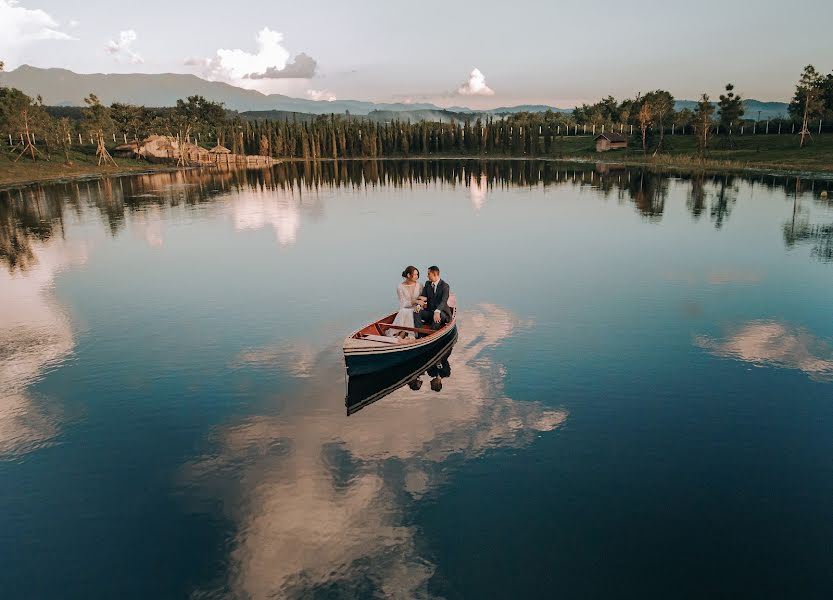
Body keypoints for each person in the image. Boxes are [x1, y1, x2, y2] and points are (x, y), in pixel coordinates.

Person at [388, 266, 423, 339]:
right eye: (415, 274)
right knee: (405, 311)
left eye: (417, 274)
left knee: (410, 312)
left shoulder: (420, 285)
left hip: (418, 308)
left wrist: (418, 303)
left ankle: (401, 334)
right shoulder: (400, 287)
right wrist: (414, 301)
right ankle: (401, 333)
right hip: (405, 308)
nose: (417, 276)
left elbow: (422, 299)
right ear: (408, 275)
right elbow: (403, 303)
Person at [415, 266, 451, 334]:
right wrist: (419, 305)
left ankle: (430, 334)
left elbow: (443, 301)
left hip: (442, 313)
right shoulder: (427, 284)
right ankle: (419, 334)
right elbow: (423, 296)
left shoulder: (445, 286)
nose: (427, 276)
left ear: (434, 274)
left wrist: (437, 311)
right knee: (416, 312)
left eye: (428, 274)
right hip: (430, 312)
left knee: (438, 314)